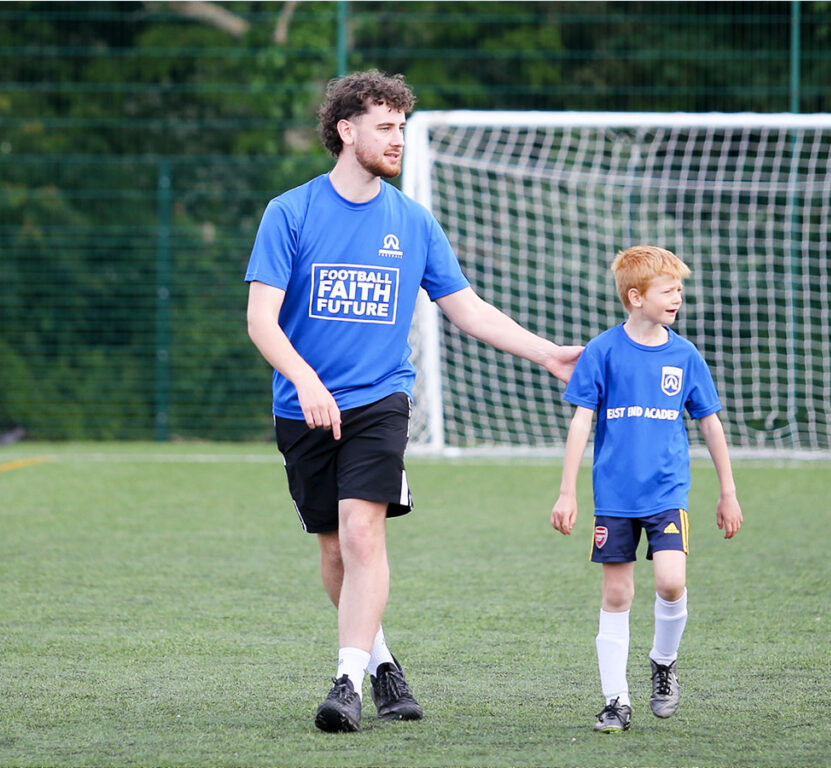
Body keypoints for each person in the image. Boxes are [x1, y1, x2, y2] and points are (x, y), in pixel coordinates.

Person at [245, 69, 582, 734]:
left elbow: (468, 309)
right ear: (347, 131)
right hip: (303, 409)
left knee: (364, 532)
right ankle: (382, 663)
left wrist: (546, 352)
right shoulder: (291, 212)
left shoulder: (413, 222)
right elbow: (261, 321)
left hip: (379, 402)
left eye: (402, 126)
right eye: (386, 126)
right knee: (335, 550)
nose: (399, 139)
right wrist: (307, 380)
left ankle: (345, 683)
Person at [550, 245, 743, 733]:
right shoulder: (602, 352)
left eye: (680, 288)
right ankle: (616, 702)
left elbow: (710, 425)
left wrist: (728, 492)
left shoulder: (684, 354)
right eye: (669, 289)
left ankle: (663, 662)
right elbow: (580, 424)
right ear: (635, 297)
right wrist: (567, 492)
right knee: (617, 595)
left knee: (671, 581)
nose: (678, 296)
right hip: (614, 498)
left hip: (666, 494)